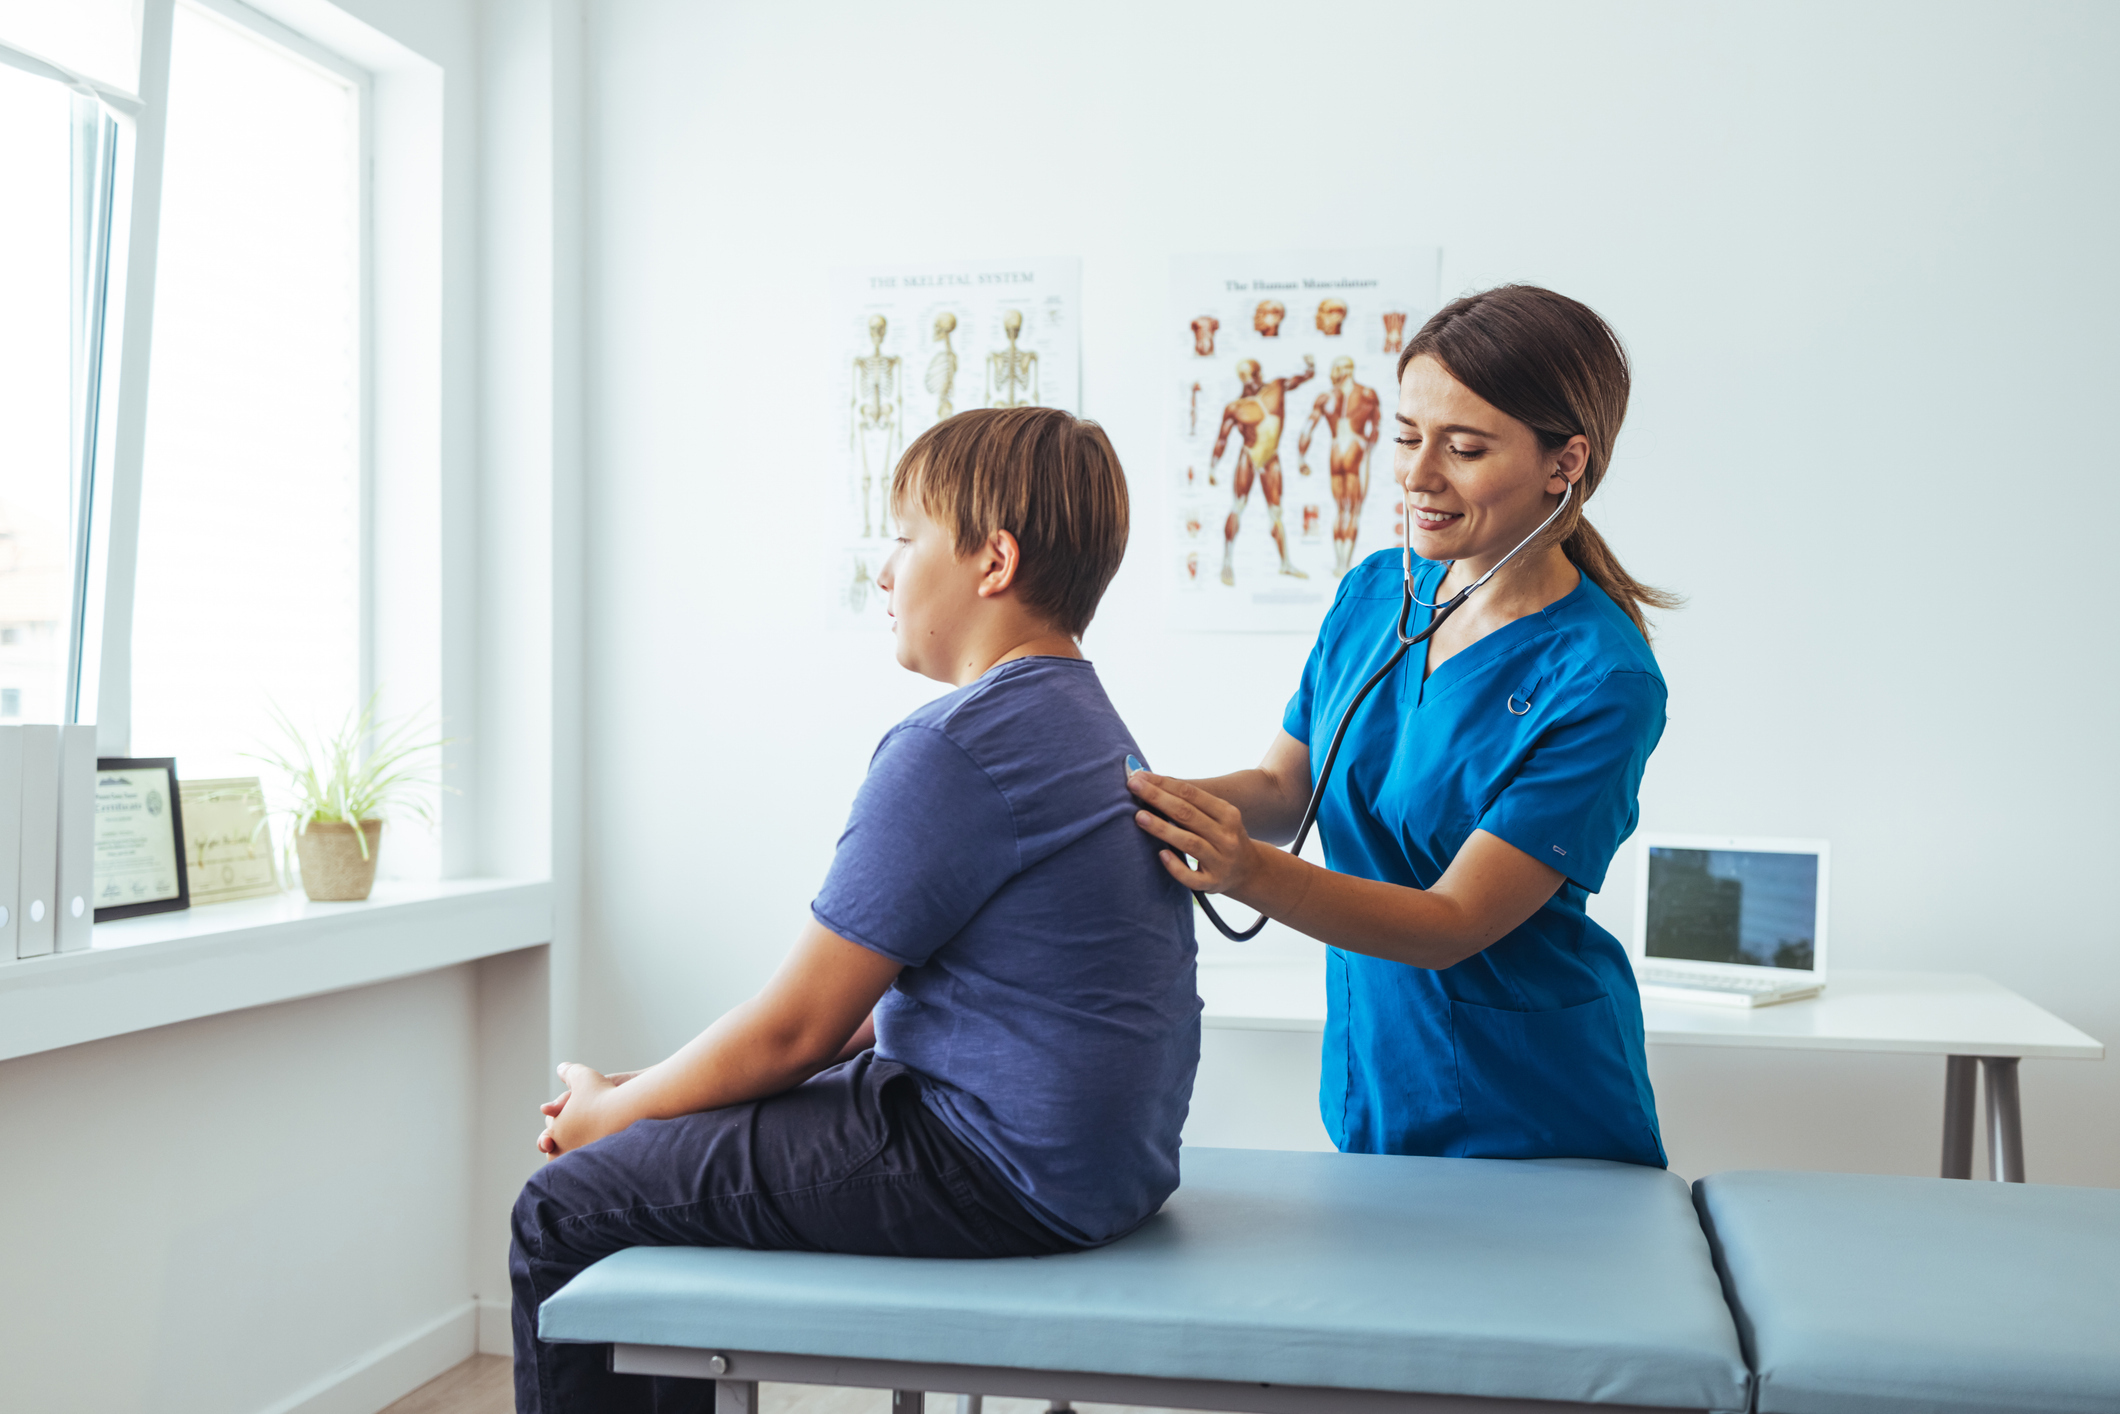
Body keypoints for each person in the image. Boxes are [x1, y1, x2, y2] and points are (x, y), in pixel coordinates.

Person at [514, 407, 1201, 1414]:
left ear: (992, 561)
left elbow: (800, 1027)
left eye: (905, 536)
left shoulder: (957, 745)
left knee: (566, 1204)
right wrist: (650, 1093)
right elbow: (890, 1015)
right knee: (645, 1149)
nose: (884, 573)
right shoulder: (1085, 722)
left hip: (999, 1169)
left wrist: (608, 1117)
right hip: (1101, 1166)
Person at [1129, 285, 1680, 1166]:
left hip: (1533, 1112)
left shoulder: (1601, 680)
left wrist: (1242, 869)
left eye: (1463, 448)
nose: (1418, 476)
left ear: (1563, 461)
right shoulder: (1376, 592)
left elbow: (1452, 920)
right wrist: (1133, 799)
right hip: (1379, 1076)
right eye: (1406, 436)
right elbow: (1285, 790)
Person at [1212, 355, 1316, 585]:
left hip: (1270, 457)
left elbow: (1299, 380)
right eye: (1243, 377)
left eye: (1250, 374)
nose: (1248, 380)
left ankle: (1285, 563)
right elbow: (1222, 439)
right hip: (1248, 456)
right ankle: (1227, 561)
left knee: (1276, 513)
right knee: (1238, 506)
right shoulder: (1236, 407)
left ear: (1258, 373)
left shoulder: (1276, 387)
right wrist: (1213, 467)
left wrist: (1310, 369)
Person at [1297, 355, 1382, 575]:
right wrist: (1368, 449)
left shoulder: (1325, 397)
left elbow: (1307, 429)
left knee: (1340, 510)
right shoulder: (1366, 394)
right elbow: (1376, 427)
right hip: (1356, 447)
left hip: (1336, 449)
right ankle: (1344, 564)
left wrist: (1301, 458)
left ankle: (1339, 564)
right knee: (1353, 511)